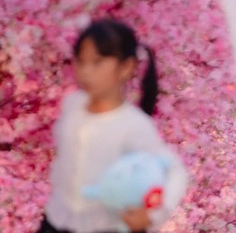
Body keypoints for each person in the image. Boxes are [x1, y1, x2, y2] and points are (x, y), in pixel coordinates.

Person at [40, 19, 189, 233]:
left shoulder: (133, 125)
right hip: (56, 221)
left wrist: (152, 215)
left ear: (126, 67)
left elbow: (174, 171)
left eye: (98, 62)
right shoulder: (73, 104)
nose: (86, 71)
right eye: (81, 61)